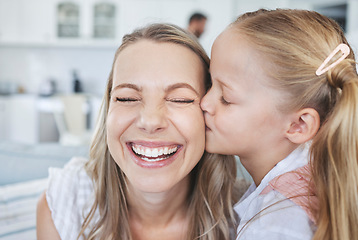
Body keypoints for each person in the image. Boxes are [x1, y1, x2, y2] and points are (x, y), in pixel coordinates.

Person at [36, 23, 241, 240]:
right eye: (127, 98)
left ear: (207, 114)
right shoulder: (65, 205)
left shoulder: (248, 215)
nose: (150, 121)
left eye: (180, 99)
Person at [201, 8, 358, 240]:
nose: (204, 102)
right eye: (208, 83)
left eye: (226, 98)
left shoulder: (274, 225)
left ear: (299, 125)